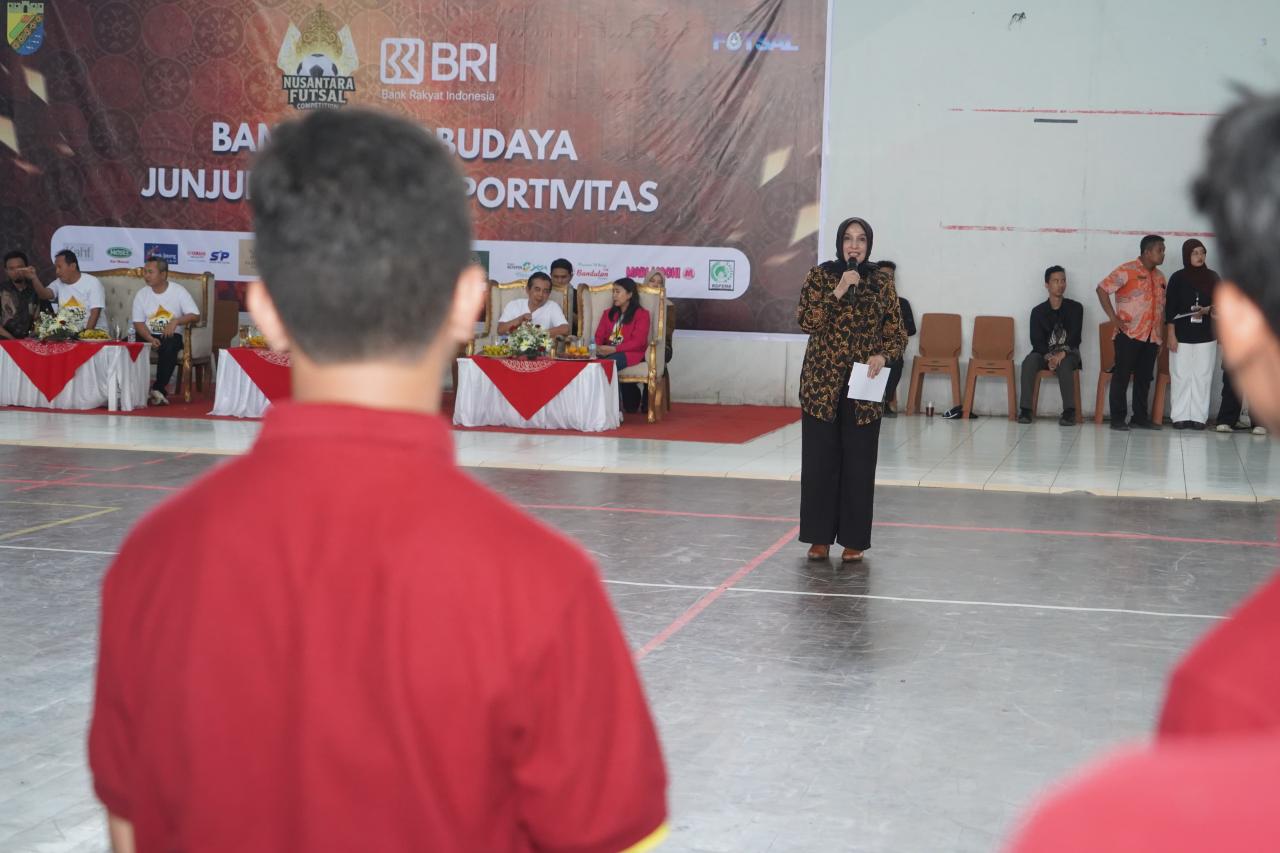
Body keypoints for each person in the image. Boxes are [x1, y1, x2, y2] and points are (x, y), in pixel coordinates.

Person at [88, 108, 667, 853]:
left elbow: (130, 831)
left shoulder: (153, 562)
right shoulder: (543, 585)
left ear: (265, 312)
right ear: (467, 302)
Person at [1006, 91, 1280, 852]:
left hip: (1157, 337)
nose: (1168, 260)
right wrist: (1122, 320)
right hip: (1135, 338)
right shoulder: (1133, 275)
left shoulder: (1222, 697)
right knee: (1125, 390)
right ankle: (1124, 419)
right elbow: (1110, 292)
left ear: (1246, 332)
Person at [797, 217, 907, 563]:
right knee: (819, 464)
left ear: (868, 245)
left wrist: (883, 355)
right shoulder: (820, 276)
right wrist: (840, 289)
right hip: (821, 384)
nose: (854, 246)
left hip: (864, 386)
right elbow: (807, 321)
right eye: (848, 239)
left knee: (859, 465)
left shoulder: (881, 282)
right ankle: (818, 538)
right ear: (839, 244)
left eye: (861, 240)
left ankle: (853, 540)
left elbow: (897, 333)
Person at [1096, 235, 1167, 430]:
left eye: (1163, 250)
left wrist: (1160, 337)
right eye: (1160, 250)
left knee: (1144, 378)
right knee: (1122, 376)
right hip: (1129, 333)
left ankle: (1140, 417)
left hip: (1151, 336)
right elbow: (1102, 289)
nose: (1163, 254)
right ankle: (1117, 419)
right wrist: (1113, 318)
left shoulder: (1160, 277)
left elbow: (1161, 308)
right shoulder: (1127, 270)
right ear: (1147, 252)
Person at [1018, 265, 1083, 426]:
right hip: (1044, 354)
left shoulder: (1076, 308)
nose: (1060, 285)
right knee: (1029, 361)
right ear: (1047, 284)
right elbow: (1036, 341)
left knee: (1064, 363)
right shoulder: (1038, 311)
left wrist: (1062, 354)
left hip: (1069, 353)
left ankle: (1069, 412)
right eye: (1056, 281)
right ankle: (1025, 410)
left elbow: (1075, 338)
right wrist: (1049, 357)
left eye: (1063, 281)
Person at [130, 257, 200, 405]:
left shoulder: (178, 291)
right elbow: (138, 322)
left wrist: (176, 321)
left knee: (169, 345)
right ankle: (124, 388)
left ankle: (158, 389)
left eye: (150, 272)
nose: (146, 276)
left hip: (170, 335)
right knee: (125, 344)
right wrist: (149, 338)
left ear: (163, 274)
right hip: (147, 334)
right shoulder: (142, 294)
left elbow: (195, 315)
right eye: (145, 272)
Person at [1164, 239, 1219, 430]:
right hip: (1181, 335)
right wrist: (1171, 335)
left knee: (1202, 376)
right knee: (1180, 375)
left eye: (1202, 252)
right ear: (1186, 255)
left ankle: (1198, 417)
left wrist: (1208, 309)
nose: (1199, 256)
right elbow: (1170, 309)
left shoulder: (1213, 277)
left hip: (1206, 335)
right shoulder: (1177, 278)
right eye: (1194, 253)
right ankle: (1179, 416)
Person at [593, 276, 651, 414]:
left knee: (608, 364)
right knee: (593, 364)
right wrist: (598, 347)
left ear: (630, 294)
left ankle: (614, 410)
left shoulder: (642, 314)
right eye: (613, 291)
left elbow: (638, 342)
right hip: (608, 351)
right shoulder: (608, 313)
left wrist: (614, 349)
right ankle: (598, 407)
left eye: (618, 291)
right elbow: (598, 335)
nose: (614, 295)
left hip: (630, 353)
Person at [29, 249, 109, 331]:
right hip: (67, 333)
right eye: (56, 268)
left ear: (73, 266)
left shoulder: (92, 282)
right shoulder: (59, 282)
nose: (57, 272)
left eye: (60, 267)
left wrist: (85, 335)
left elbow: (95, 312)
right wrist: (34, 278)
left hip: (95, 332)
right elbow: (44, 295)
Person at [876, 260, 915, 416]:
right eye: (884, 275)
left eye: (891, 276)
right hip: (869, 346)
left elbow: (910, 329)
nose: (888, 279)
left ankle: (885, 401)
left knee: (895, 360)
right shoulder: (867, 302)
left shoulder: (902, 303)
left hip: (891, 346)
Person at [495, 270, 569, 337]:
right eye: (537, 289)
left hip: (542, 347)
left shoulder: (552, 306)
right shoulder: (514, 304)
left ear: (549, 294)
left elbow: (565, 329)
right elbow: (500, 330)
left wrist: (537, 335)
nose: (540, 294)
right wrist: (520, 319)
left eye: (545, 291)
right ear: (528, 290)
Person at [1, 250, 46, 340]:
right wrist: (13, 341)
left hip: (31, 342)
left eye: (20, 267)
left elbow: (44, 319)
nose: (16, 271)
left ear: (27, 268)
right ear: (6, 271)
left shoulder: (37, 290)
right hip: (4, 342)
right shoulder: (1, 291)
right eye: (11, 268)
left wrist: (30, 338)